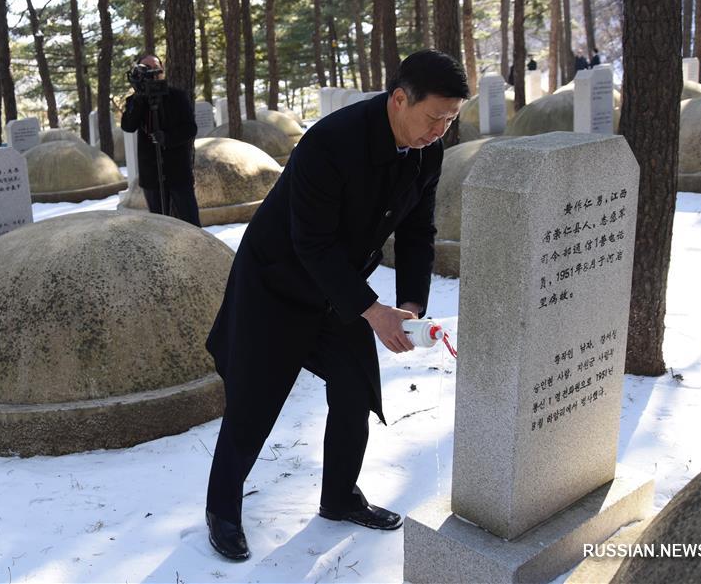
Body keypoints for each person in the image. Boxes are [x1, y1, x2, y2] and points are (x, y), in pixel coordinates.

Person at [204, 49, 469, 561]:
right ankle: (223, 508)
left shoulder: (426, 150)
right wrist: (373, 311)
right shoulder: (330, 142)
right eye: (434, 116)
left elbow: (417, 231)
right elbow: (312, 243)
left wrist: (411, 305)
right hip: (276, 285)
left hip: (341, 288)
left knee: (355, 388)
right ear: (398, 99)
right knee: (254, 401)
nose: (440, 130)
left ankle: (340, 495)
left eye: (450, 119)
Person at [120, 53, 201, 226]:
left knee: (190, 221)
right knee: (159, 225)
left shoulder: (177, 96)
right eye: (146, 69)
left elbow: (190, 128)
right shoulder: (135, 100)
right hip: (151, 173)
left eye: (155, 69)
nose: (152, 74)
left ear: (162, 71)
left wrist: (168, 138)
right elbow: (128, 126)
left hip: (177, 171)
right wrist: (140, 100)